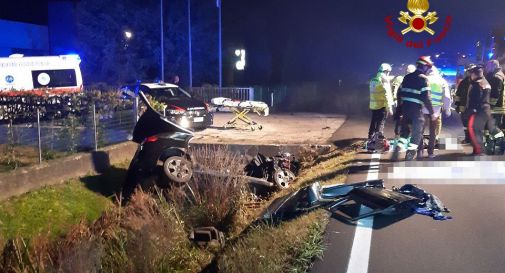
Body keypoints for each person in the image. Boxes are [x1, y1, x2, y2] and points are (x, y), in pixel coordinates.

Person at [392, 56, 437, 161]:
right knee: (417, 134)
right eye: (428, 67)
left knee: (404, 133)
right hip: (416, 111)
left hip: (405, 109)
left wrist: (400, 108)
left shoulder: (407, 77)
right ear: (425, 67)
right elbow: (426, 98)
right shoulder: (423, 79)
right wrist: (432, 113)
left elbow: (399, 93)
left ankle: (397, 150)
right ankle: (409, 155)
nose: (429, 70)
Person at [465, 65, 504, 155]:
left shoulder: (477, 84)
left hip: (478, 111)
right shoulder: (485, 83)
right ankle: (499, 146)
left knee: (474, 130)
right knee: (491, 129)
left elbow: (475, 100)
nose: (470, 76)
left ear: (475, 74)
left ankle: (479, 151)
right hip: (486, 110)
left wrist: (470, 111)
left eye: (471, 74)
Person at [420, 66, 452, 158]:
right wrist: (447, 109)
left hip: (423, 108)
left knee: (420, 131)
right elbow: (446, 97)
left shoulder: (424, 79)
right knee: (433, 132)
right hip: (436, 110)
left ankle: (420, 151)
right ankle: (430, 153)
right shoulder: (442, 81)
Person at [368, 63, 394, 144]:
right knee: (381, 122)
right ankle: (378, 140)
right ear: (386, 71)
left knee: (373, 121)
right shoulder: (384, 81)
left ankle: (370, 136)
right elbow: (386, 95)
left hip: (374, 105)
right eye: (388, 72)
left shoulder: (373, 80)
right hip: (382, 105)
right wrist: (389, 108)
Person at [392, 64, 416, 138]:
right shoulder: (401, 79)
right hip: (405, 104)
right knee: (402, 121)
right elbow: (396, 90)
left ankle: (401, 136)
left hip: (405, 104)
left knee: (403, 121)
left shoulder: (405, 79)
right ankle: (400, 136)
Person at [454, 64, 476, 143]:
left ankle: (473, 139)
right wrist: (457, 104)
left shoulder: (477, 82)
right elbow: (458, 94)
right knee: (465, 124)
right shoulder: (463, 82)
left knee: (473, 124)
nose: (469, 73)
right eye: (469, 71)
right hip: (464, 107)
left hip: (473, 107)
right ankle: (467, 138)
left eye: (471, 71)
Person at [485, 60, 505, 129]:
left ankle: (499, 139)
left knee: (494, 128)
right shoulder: (500, 75)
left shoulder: (496, 77)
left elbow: (495, 93)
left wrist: (490, 106)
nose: (486, 68)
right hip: (498, 107)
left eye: (488, 66)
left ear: (492, 66)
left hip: (495, 108)